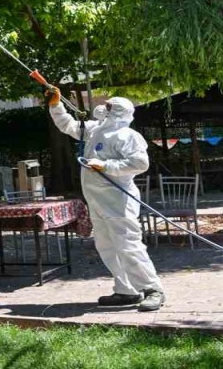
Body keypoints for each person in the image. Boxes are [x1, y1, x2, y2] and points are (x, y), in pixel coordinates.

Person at [46, 87, 164, 311]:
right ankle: (127, 290)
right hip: (97, 201)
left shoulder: (128, 136)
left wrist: (106, 165)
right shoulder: (94, 129)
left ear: (118, 111)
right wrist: (56, 105)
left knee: (128, 245)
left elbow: (140, 164)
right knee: (106, 246)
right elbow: (68, 125)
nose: (103, 107)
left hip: (118, 200)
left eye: (109, 105)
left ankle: (152, 289)